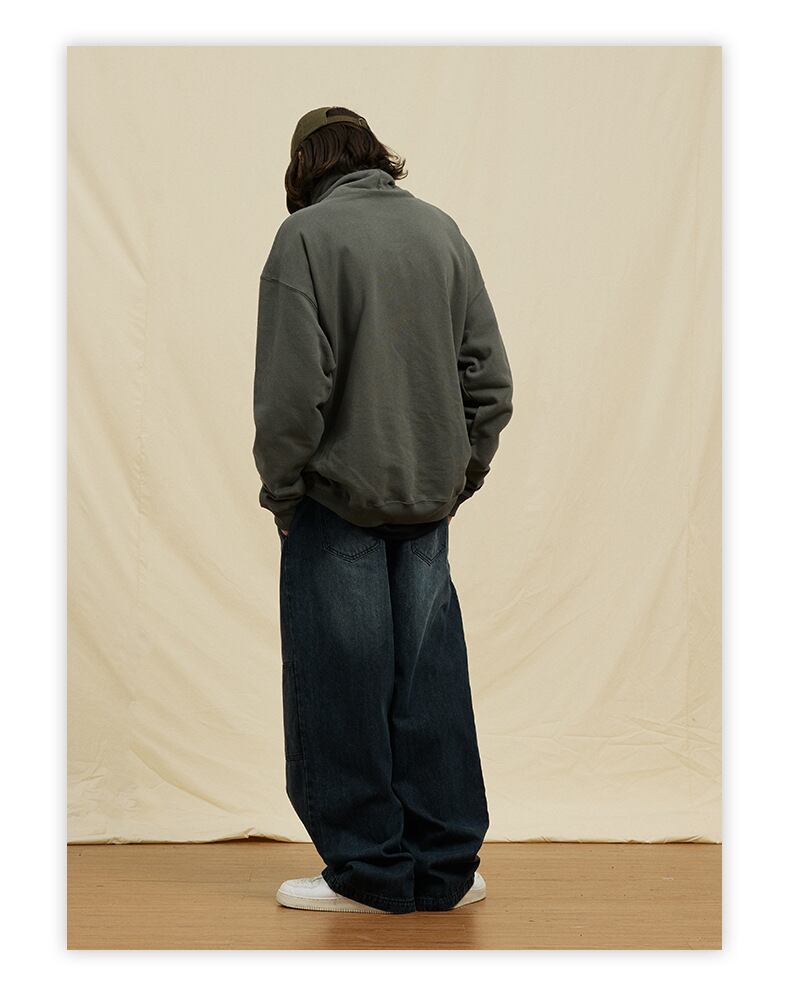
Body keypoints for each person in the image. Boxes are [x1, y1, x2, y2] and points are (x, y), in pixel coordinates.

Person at [252, 106, 514, 914]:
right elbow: (490, 381)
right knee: (430, 685)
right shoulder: (441, 231)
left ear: (304, 166)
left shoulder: (305, 238)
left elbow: (292, 393)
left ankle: (368, 874)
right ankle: (446, 868)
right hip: (427, 502)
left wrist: (283, 492)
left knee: (340, 688)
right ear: (374, 155)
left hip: (336, 503)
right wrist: (460, 474)